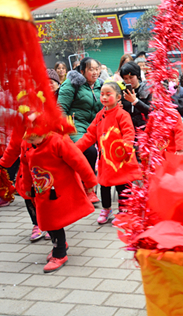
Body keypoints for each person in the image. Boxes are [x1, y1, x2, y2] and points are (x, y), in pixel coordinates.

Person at [20, 119, 96, 273]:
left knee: (54, 220)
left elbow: (79, 161)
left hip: (60, 189)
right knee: (45, 219)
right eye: (29, 140)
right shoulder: (27, 143)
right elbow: (25, 164)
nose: (31, 143)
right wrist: (26, 185)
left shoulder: (58, 141)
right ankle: (59, 244)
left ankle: (60, 252)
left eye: (34, 139)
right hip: (41, 191)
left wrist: (90, 181)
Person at [75, 81, 142, 224]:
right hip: (106, 160)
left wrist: (127, 147)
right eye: (102, 94)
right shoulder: (100, 115)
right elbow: (89, 135)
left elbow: (129, 132)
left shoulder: (122, 115)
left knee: (122, 186)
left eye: (108, 94)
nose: (104, 97)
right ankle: (106, 209)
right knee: (104, 185)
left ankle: (124, 211)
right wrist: (75, 149)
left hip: (121, 158)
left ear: (118, 97)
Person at [57, 57, 103, 203]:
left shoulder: (100, 86)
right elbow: (60, 109)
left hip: (97, 126)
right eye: (91, 69)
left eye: (97, 69)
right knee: (90, 151)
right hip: (76, 126)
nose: (95, 72)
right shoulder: (72, 84)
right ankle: (89, 188)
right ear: (82, 71)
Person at [120, 62, 152, 129]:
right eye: (125, 78)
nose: (128, 80)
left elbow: (151, 111)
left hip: (145, 130)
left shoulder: (147, 90)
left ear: (138, 76)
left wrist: (135, 101)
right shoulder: (122, 93)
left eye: (131, 77)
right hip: (128, 130)